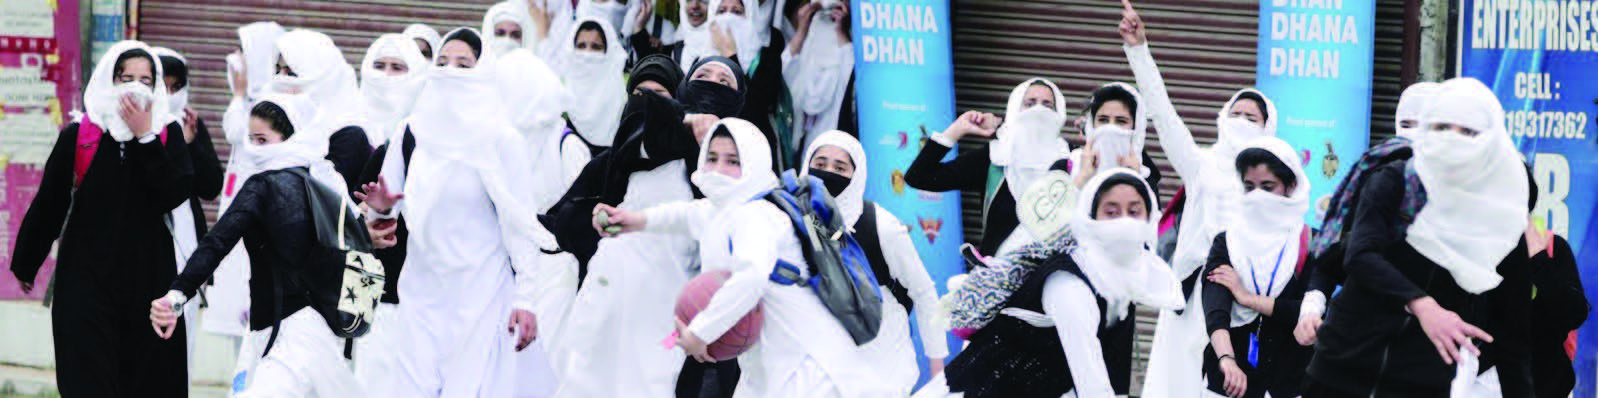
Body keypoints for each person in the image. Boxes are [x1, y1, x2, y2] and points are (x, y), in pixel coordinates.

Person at [597, 118, 898, 397]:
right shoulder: (724, 209)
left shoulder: (756, 215)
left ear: (754, 164)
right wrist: (633, 219)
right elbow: (684, 215)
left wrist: (701, 332)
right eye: (712, 158)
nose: (718, 169)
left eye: (733, 161)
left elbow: (750, 278)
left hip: (808, 365)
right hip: (765, 368)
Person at [1302, 78, 1534, 397]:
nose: (1452, 140)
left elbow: (1512, 335)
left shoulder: (1501, 221)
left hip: (1421, 382)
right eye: (1441, 127)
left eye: (1467, 132)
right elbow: (1359, 255)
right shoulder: (1395, 180)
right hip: (1342, 366)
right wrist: (1423, 305)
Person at [357, 27, 547, 397]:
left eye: (463, 64)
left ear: (483, 71)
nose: (448, 71)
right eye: (442, 62)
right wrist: (378, 208)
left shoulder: (502, 139)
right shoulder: (410, 132)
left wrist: (526, 299)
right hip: (420, 294)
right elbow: (387, 207)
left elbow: (521, 225)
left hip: (482, 296)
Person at [545, 55, 743, 398]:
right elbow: (564, 223)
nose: (711, 84)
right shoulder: (635, 154)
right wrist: (602, 221)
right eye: (703, 75)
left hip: (682, 331)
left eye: (724, 81)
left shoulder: (743, 171)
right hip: (611, 309)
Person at [10, 40, 192, 397]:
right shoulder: (81, 135)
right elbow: (50, 203)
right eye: (126, 78)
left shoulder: (168, 135)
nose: (135, 88)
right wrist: (27, 263)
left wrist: (145, 137)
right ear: (109, 81)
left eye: (145, 79)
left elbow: (173, 193)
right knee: (87, 381)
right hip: (86, 282)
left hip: (148, 285)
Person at [149, 95, 361, 397]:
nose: (253, 149)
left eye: (262, 140)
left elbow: (218, 241)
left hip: (288, 332)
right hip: (316, 331)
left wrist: (178, 292)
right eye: (250, 139)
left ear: (290, 137)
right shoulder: (327, 181)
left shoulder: (266, 185)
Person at [1120, 5, 1281, 395]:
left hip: (1245, 304)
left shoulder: (1277, 181)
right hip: (1190, 299)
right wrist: (1139, 50)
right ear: (1222, 117)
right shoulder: (1201, 165)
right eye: (1236, 112)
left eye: (1252, 117)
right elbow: (1162, 112)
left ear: (1268, 127)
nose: (1242, 120)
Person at [920, 168, 1185, 397]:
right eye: (1111, 212)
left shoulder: (1127, 278)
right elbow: (1090, 377)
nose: (1124, 222)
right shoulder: (1070, 281)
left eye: (1134, 211)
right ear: (1091, 218)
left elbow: (1113, 367)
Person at [801, 131, 948, 395]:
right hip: (816, 361)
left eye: (840, 167)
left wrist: (937, 367)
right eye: (820, 164)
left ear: (857, 174)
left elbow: (924, 293)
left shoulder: (882, 227)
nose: (828, 173)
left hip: (881, 362)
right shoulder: (792, 218)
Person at [1298, 81, 1441, 346]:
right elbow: (1336, 253)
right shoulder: (1376, 175)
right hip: (1361, 336)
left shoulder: (1460, 190)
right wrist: (1311, 307)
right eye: (1407, 124)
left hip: (1430, 345)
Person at [1199, 137, 1314, 398]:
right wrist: (1227, 359)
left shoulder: (1310, 243)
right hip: (1228, 380)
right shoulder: (1227, 240)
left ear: (1291, 186)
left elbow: (1308, 310)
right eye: (1249, 187)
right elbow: (1215, 306)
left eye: (1268, 186)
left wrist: (1248, 299)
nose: (1257, 196)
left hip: (1290, 380)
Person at [904, 77, 1068, 257]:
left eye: (1047, 105)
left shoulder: (1073, 161)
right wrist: (957, 130)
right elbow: (918, 176)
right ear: (1014, 110)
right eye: (1029, 104)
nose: (1038, 111)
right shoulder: (995, 158)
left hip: (1055, 279)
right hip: (996, 280)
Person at [349, 32, 430, 393]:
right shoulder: (341, 126)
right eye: (379, 66)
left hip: (416, 286)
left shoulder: (429, 139)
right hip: (362, 287)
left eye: (399, 68)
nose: (386, 76)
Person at [208, 20, 287, 347]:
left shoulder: (271, 104)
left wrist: (239, 95)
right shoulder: (252, 99)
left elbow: (235, 131)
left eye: (242, 50)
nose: (235, 57)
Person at [150, 46, 226, 372]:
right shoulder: (128, 123)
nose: (167, 94)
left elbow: (211, 187)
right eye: (160, 85)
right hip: (145, 237)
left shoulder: (190, 124)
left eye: (174, 86)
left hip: (185, 237)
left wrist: (191, 144)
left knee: (182, 323)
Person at [272, 29, 374, 196]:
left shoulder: (348, 136)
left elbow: (323, 200)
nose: (281, 79)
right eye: (277, 70)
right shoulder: (272, 123)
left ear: (322, 76)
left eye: (291, 72)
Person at [1523, 213, 1589, 398]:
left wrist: (1538, 259)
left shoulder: (1552, 246)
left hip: (1544, 382)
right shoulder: (1469, 245)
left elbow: (1575, 313)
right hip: (1478, 377)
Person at [553, 17, 629, 174]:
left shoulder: (626, 89)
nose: (587, 54)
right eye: (581, 46)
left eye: (596, 47)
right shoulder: (559, 91)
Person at [1069, 82, 1161, 190]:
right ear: (1091, 124)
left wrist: (1133, 179)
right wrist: (1083, 177)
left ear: (1135, 129)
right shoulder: (1067, 165)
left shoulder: (1146, 178)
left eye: (1121, 121)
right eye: (1103, 120)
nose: (1110, 127)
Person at [360, 33, 430, 145]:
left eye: (396, 68)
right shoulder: (348, 122)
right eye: (379, 67)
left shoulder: (426, 129)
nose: (386, 73)